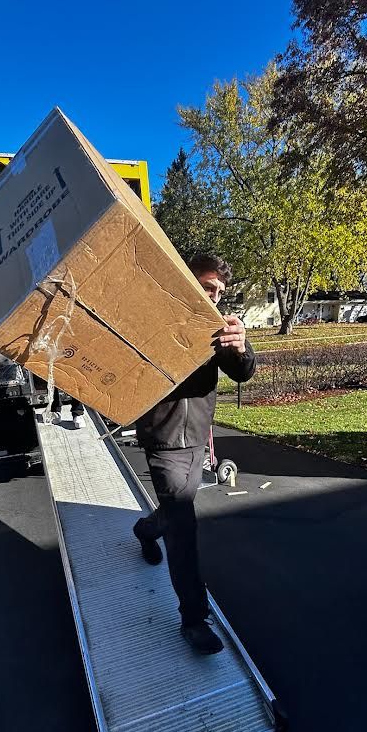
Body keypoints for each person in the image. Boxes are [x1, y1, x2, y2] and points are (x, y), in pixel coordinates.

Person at [133, 253, 256, 655]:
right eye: (206, 287)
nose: (214, 296)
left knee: (174, 513)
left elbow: (242, 372)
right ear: (186, 281)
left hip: (198, 436)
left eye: (219, 291)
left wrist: (241, 348)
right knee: (184, 527)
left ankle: (146, 529)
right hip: (163, 438)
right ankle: (194, 619)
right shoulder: (149, 318)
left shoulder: (216, 327)